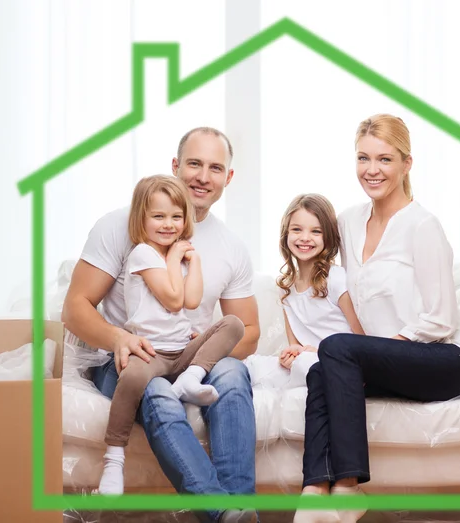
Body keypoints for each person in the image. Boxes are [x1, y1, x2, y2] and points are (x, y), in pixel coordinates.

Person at [62, 127, 260, 523]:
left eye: (215, 167)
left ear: (228, 178)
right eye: (194, 164)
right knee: (155, 391)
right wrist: (119, 337)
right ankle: (222, 512)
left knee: (235, 373)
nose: (203, 176)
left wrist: (203, 355)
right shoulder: (122, 226)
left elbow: (250, 330)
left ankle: (243, 508)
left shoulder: (230, 246)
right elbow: (75, 307)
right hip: (129, 360)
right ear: (176, 166)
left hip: (187, 358)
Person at [293, 115, 460, 523]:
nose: (372, 170)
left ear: (406, 164)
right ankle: (314, 490)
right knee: (320, 370)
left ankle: (348, 487)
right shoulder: (347, 222)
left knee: (337, 350)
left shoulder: (422, 226)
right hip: (386, 358)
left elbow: (440, 318)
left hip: (447, 359)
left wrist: (367, 352)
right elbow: (322, 274)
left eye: (385, 159)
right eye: (363, 158)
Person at [98, 175, 245, 495]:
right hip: (151, 354)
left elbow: (191, 300)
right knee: (132, 378)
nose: (169, 225)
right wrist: (177, 257)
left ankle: (191, 378)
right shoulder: (143, 255)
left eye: (176, 217)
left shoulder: (175, 256)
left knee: (233, 324)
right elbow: (173, 299)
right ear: (142, 218)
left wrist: (194, 263)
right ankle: (114, 457)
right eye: (159, 216)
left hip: (181, 350)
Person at [276, 193, 364, 388]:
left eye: (316, 231)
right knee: (255, 367)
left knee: (309, 364)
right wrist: (291, 355)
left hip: (341, 362)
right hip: (308, 363)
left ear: (328, 237)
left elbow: (361, 339)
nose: (305, 238)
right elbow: (295, 345)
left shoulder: (336, 278)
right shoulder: (286, 289)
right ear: (286, 234)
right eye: (297, 229)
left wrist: (314, 353)